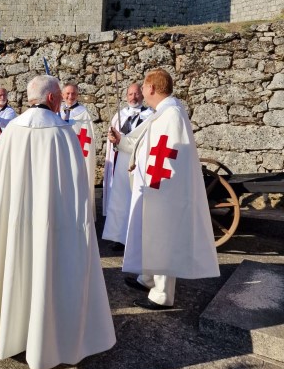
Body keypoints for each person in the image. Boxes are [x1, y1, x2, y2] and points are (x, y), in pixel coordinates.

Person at [0, 75, 116, 369]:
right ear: (52, 99)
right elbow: (76, 192)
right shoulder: (61, 134)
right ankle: (48, 336)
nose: (62, 100)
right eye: (59, 96)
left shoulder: (12, 131)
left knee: (14, 268)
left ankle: (9, 330)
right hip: (51, 227)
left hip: (14, 224)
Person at [108, 68, 219, 310]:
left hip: (162, 188)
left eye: (144, 88)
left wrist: (157, 183)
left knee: (162, 238)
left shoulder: (172, 116)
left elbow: (170, 156)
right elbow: (141, 141)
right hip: (153, 186)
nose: (142, 93)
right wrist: (122, 142)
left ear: (151, 89)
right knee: (150, 236)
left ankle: (162, 295)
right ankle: (148, 278)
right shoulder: (162, 113)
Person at [102, 83, 153, 251]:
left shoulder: (150, 116)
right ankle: (119, 237)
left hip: (139, 163)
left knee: (136, 200)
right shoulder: (119, 116)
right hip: (121, 162)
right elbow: (113, 142)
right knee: (121, 200)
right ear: (126, 96)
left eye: (137, 94)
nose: (133, 97)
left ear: (142, 95)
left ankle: (136, 238)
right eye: (130, 94)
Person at [60, 82, 96, 216]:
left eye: (73, 93)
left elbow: (86, 138)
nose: (70, 96)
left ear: (78, 95)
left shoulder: (83, 114)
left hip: (77, 155)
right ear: (62, 95)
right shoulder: (57, 112)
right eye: (67, 93)